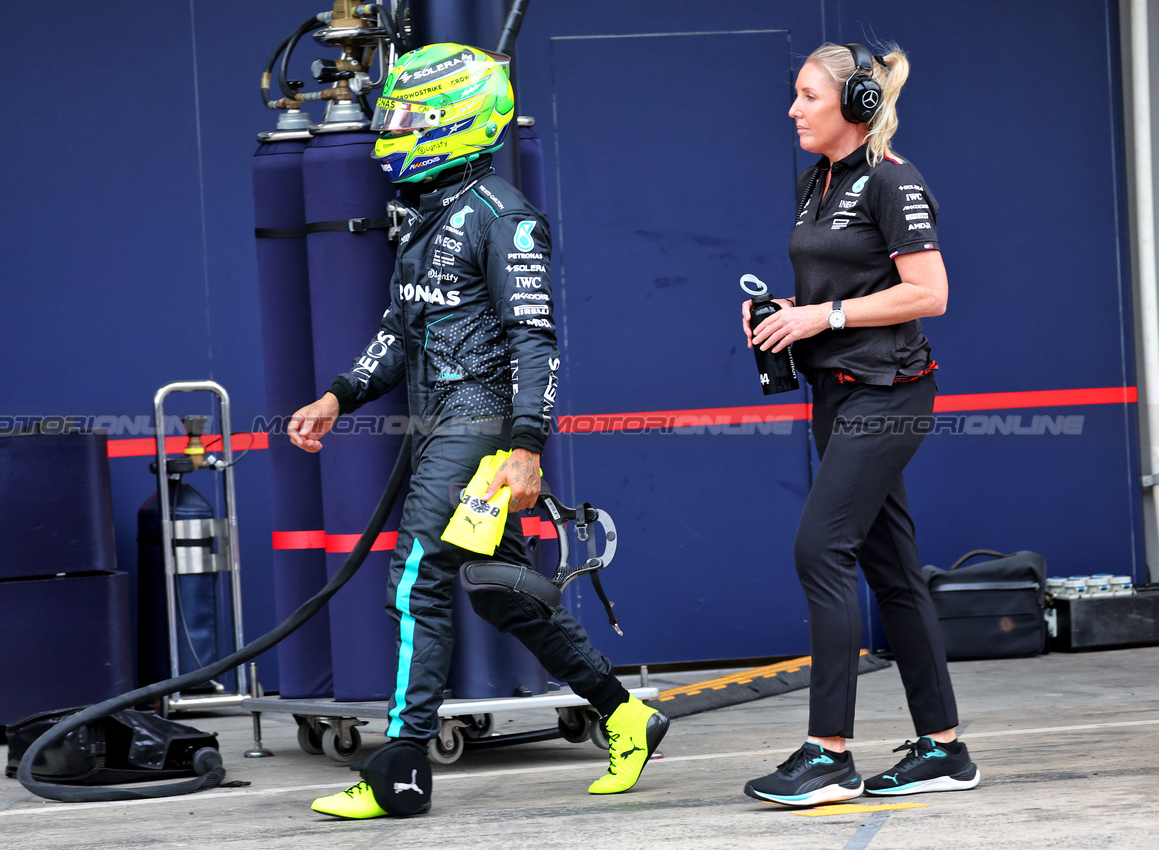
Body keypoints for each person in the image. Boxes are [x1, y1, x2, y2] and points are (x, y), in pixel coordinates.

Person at [289, 43, 668, 819]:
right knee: (500, 595)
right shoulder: (428, 217)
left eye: (407, 117)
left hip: (482, 430)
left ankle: (398, 770)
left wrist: (526, 445)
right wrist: (338, 396)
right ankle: (625, 714)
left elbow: (536, 339)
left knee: (416, 579)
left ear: (458, 122)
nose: (392, 129)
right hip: (440, 428)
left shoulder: (505, 217)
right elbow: (399, 331)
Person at [740, 43, 981, 807]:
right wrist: (789, 314)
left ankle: (828, 753)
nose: (792, 109)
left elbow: (928, 292)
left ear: (854, 105)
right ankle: (943, 751)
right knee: (891, 571)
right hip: (837, 393)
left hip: (889, 395)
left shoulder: (892, 180)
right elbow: (842, 283)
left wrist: (825, 313)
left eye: (807, 96)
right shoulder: (821, 180)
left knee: (820, 547)